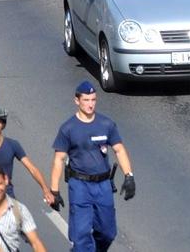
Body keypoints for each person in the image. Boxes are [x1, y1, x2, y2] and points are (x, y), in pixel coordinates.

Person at [50, 82, 135, 252]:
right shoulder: (68, 128)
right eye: (86, 100)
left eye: (93, 100)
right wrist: (54, 190)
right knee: (80, 236)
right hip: (80, 186)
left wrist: (129, 176)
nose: (90, 104)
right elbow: (59, 159)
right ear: (77, 101)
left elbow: (119, 149)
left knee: (108, 232)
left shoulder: (106, 124)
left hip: (103, 185)